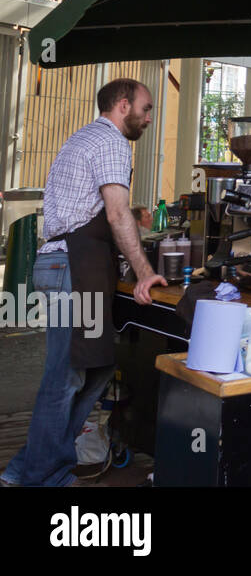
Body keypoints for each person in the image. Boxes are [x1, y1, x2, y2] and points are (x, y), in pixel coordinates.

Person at [2, 79, 167, 488]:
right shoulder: (111, 141)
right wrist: (145, 273)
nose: (148, 119)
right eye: (146, 109)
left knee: (95, 368)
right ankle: (45, 477)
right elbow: (115, 213)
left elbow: (94, 207)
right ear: (123, 105)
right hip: (72, 269)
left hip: (74, 268)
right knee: (66, 376)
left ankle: (27, 469)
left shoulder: (85, 138)